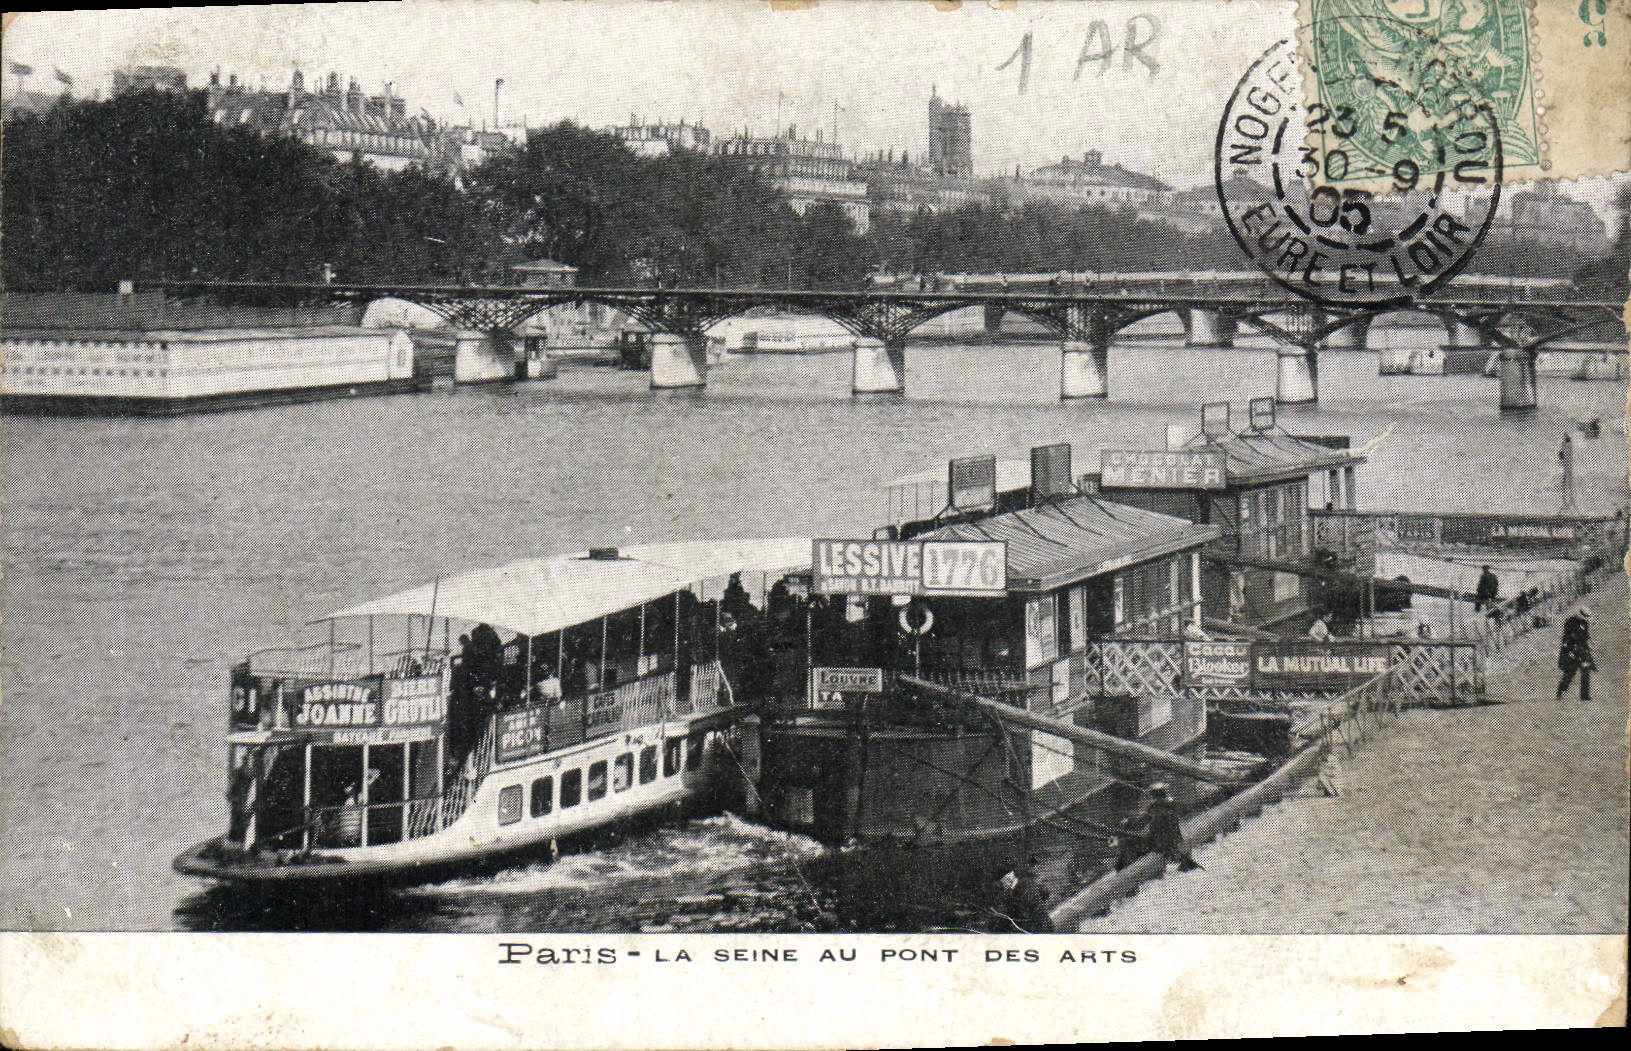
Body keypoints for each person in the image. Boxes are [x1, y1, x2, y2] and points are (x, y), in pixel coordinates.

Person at [1142, 784, 1202, 872]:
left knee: (1170, 849)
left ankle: (1182, 863)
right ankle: (1182, 862)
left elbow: (1153, 820)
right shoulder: (1160, 805)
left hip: (1166, 834)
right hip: (1166, 834)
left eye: (1153, 795)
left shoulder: (1163, 805)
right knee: (1173, 848)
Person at [1557, 606, 1594, 701]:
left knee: (1585, 672)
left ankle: (1584, 695)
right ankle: (1561, 691)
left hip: (1582, 650)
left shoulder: (1584, 623)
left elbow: (1586, 636)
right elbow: (1567, 636)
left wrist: (1588, 645)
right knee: (1570, 672)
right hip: (1572, 650)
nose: (1585, 618)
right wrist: (1569, 648)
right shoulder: (1570, 621)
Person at [1008, 857, 1053, 933]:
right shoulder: (1034, 880)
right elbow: (1045, 894)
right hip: (1036, 916)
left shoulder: (1018, 883)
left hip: (1027, 918)